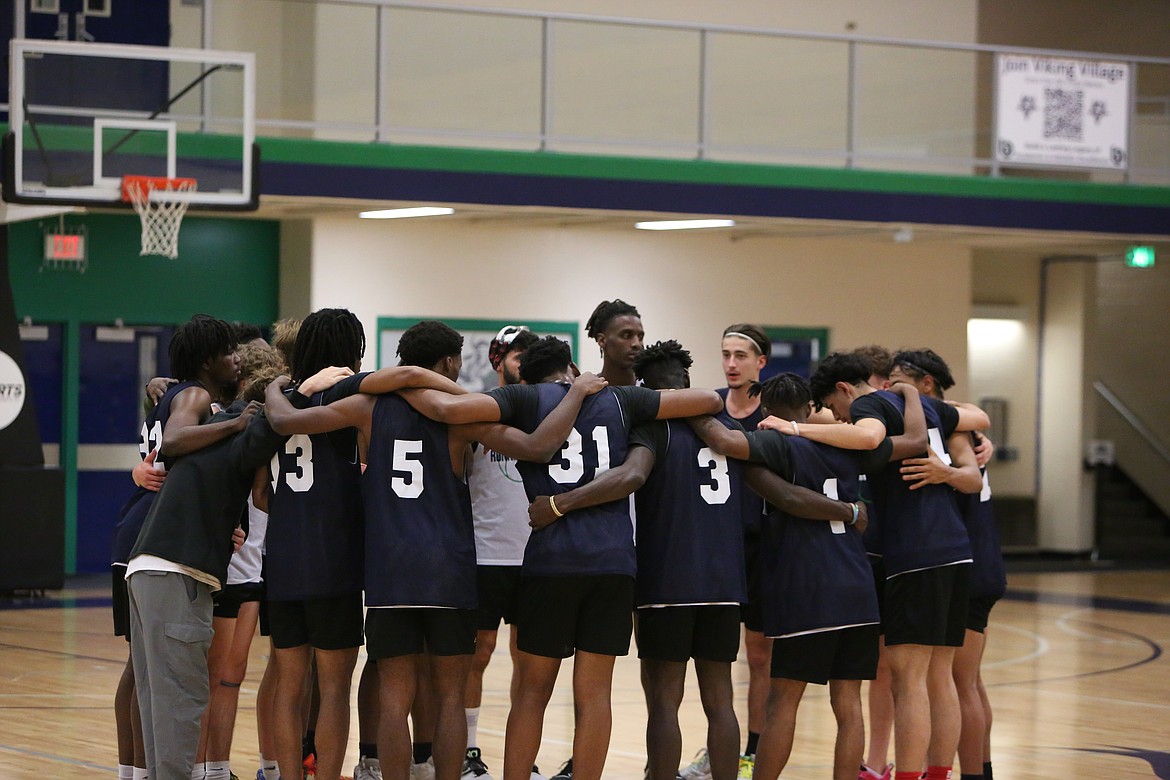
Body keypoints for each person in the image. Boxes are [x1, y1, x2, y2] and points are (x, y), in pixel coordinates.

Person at [263, 321, 607, 780]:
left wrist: (272, 387)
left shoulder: (366, 406)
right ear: (447, 363)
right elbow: (537, 447)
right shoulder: (462, 416)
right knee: (449, 696)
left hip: (389, 569)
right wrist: (576, 394)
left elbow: (286, 422)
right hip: (449, 569)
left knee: (393, 697)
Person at [525, 342, 861, 780]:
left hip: (666, 582)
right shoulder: (727, 427)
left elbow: (631, 477)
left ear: (648, 387)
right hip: (724, 583)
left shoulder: (650, 428)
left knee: (664, 700)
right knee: (720, 700)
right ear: (685, 378)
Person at [395, 334, 722, 780]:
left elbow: (449, 412)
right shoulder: (622, 398)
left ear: (526, 376)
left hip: (552, 561)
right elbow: (706, 399)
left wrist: (403, 380)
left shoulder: (523, 398)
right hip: (613, 564)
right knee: (595, 697)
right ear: (570, 368)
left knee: (531, 693)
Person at [266, 310, 471, 780]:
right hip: (352, 560)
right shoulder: (356, 394)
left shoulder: (285, 405)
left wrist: (278, 387)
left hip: (292, 560)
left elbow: (260, 490)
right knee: (345, 690)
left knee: (290, 687)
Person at [691, 374, 925, 780]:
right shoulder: (844, 443)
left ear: (767, 412)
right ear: (809, 407)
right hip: (857, 585)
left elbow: (726, 443)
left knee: (783, 700)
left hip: (808, 588)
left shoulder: (776, 443)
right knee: (849, 704)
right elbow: (905, 444)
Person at [765, 351, 986, 780]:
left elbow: (866, 438)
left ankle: (904, 776)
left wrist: (792, 426)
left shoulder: (869, 406)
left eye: (836, 407)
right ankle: (937, 774)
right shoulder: (918, 403)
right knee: (941, 676)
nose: (840, 418)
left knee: (910, 679)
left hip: (917, 551)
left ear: (845, 391)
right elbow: (977, 418)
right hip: (956, 547)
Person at [125, 357, 345, 780]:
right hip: (176, 572)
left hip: (147, 569)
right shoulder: (244, 428)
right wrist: (302, 388)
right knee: (180, 701)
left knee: (159, 700)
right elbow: (267, 449)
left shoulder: (209, 431)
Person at [111, 315, 244, 780]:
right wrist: (236, 424)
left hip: (138, 537)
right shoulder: (195, 397)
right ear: (208, 360)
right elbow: (174, 441)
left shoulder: (170, 393)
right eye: (229, 351)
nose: (237, 357)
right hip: (160, 539)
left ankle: (136, 773)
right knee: (164, 679)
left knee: (143, 672)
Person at [888, 350, 1007, 780]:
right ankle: (979, 769)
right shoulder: (948, 424)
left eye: (898, 380)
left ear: (924, 385)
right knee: (964, 682)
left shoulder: (952, 422)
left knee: (959, 682)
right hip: (970, 560)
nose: (889, 387)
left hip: (969, 561)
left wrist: (948, 471)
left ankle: (975, 774)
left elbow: (975, 435)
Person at [195, 343, 289, 780]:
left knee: (231, 677)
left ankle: (220, 767)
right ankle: (201, 770)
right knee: (210, 679)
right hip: (226, 565)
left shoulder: (277, 424)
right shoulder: (227, 423)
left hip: (255, 565)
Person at [463, 325, 544, 780]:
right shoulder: (478, 413)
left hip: (536, 555)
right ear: (498, 360)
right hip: (486, 552)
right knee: (478, 652)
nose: (523, 363)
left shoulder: (547, 411)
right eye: (516, 355)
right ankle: (470, 751)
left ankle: (522, 757)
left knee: (528, 658)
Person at [710, 324, 770, 780]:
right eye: (726, 354)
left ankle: (753, 750)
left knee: (760, 655)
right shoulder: (708, 406)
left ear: (760, 362)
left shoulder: (777, 413)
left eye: (741, 355)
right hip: (720, 547)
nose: (731, 363)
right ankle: (720, 748)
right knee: (718, 656)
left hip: (766, 546)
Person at [585, 299, 644, 387]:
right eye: (626, 335)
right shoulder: (587, 392)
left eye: (640, 337)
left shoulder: (655, 390)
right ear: (602, 340)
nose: (637, 344)